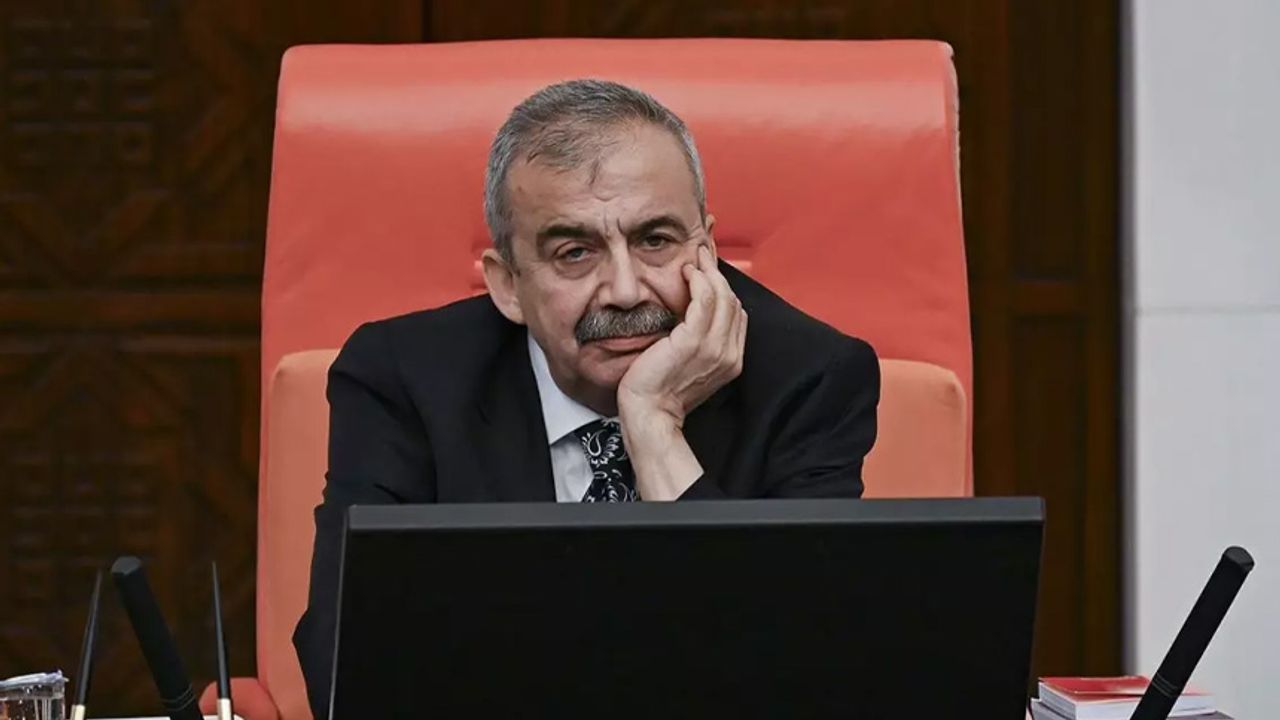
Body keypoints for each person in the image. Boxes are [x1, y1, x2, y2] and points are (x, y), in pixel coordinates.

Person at [294, 79, 880, 716]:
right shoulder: (402, 381)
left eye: (656, 240)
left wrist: (654, 427)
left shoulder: (810, 380)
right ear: (507, 285)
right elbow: (345, 666)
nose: (626, 291)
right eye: (575, 253)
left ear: (708, 250)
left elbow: (802, 677)